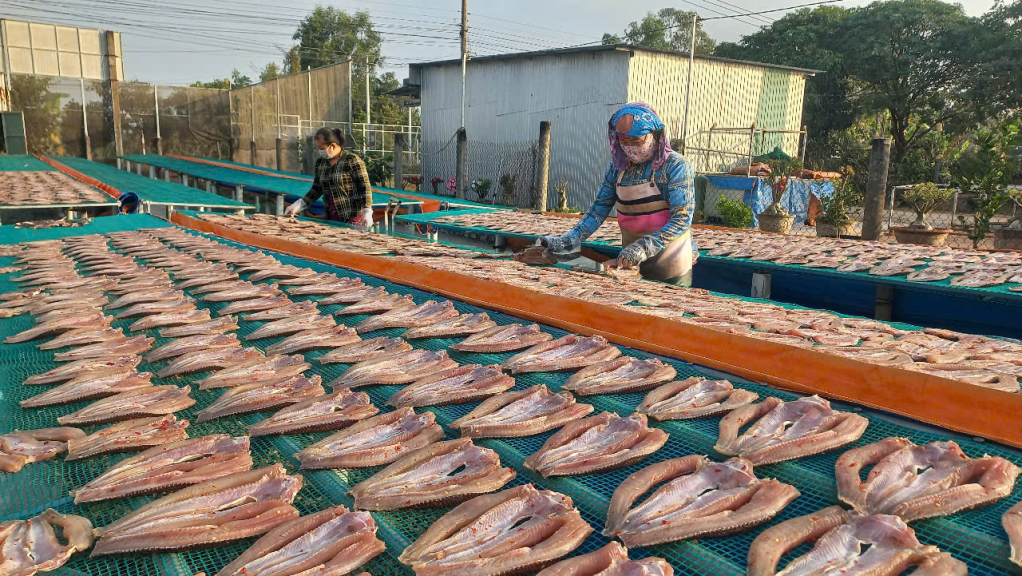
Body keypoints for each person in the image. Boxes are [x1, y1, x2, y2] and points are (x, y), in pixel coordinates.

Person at [538, 102, 696, 285]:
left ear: (656, 135)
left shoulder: (675, 166)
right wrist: (568, 240)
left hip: (671, 260)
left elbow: (682, 219)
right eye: (624, 142)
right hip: (630, 261)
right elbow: (598, 211)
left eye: (637, 141)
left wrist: (644, 246)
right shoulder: (617, 168)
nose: (631, 148)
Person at [284, 127, 374, 229]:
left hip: (353, 218)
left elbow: (365, 187)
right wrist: (297, 205)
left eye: (322, 148)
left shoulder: (351, 160)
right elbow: (316, 189)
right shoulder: (321, 163)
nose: (320, 151)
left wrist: (367, 211)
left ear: (333, 146)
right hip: (331, 218)